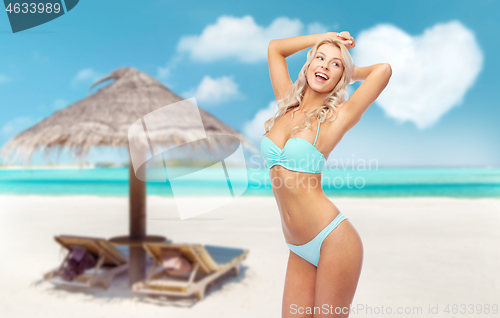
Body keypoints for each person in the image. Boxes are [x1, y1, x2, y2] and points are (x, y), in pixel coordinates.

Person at [260, 31, 392, 317]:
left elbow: (383, 71)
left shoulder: (336, 118)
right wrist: (324, 38)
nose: (324, 66)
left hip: (334, 241)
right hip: (298, 247)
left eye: (335, 65)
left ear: (340, 77)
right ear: (307, 65)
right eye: (319, 59)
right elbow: (275, 49)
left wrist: (351, 71)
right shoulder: (285, 105)